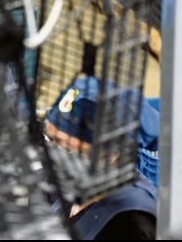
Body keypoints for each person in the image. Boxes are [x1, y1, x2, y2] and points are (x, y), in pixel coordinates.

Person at [44, 76, 159, 240]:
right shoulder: (69, 183)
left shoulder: (130, 223)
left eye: (66, 149)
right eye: (50, 139)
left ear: (113, 153)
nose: (54, 156)